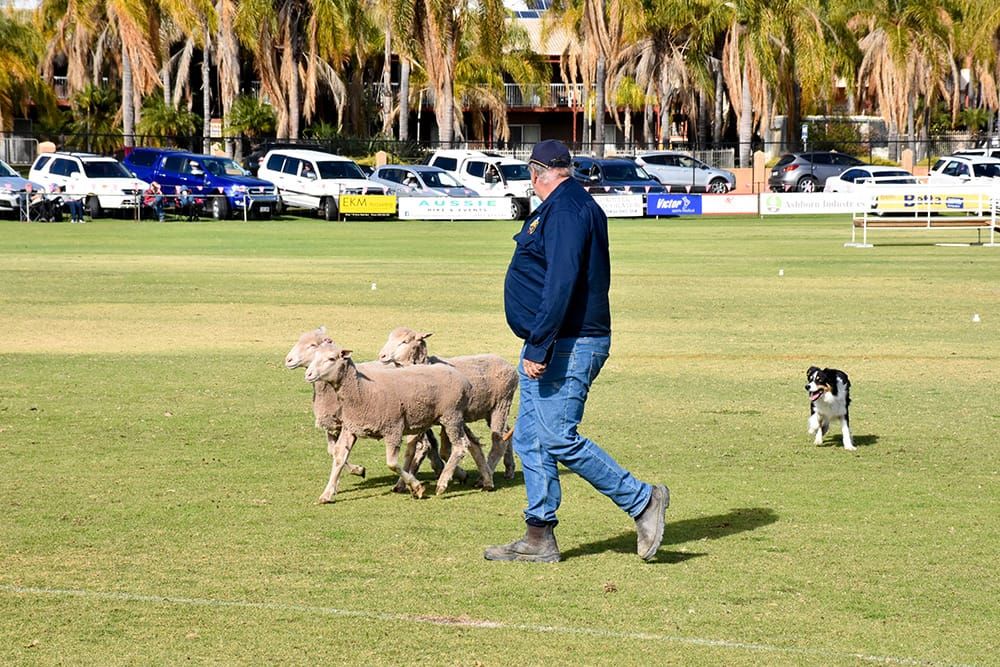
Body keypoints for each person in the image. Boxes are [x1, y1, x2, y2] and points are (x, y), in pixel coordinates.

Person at [485, 140, 669, 564]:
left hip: (567, 342)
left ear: (536, 173)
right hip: (552, 339)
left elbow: (561, 281)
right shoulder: (567, 204)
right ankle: (538, 535)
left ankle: (643, 501)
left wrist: (540, 343)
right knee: (531, 438)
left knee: (555, 436)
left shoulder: (567, 209)